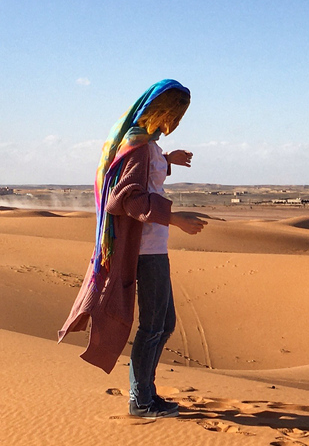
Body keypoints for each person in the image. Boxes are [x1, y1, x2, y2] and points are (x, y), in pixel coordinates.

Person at [59, 79, 207, 418]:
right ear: (162, 110)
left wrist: (168, 160)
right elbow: (125, 198)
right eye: (175, 113)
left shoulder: (148, 144)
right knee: (154, 325)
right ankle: (141, 400)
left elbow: (144, 175)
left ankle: (146, 393)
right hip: (145, 249)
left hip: (154, 246)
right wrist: (175, 217)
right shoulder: (139, 145)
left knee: (165, 323)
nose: (176, 121)